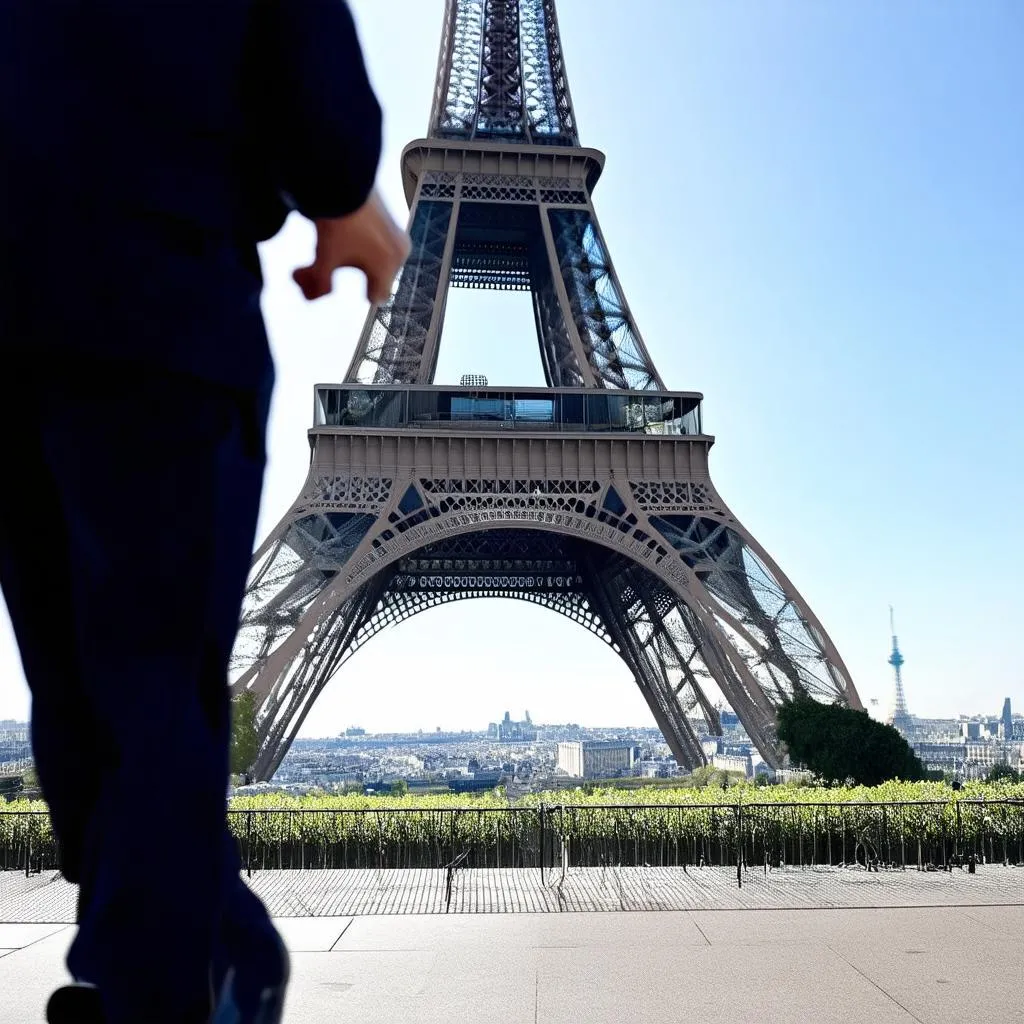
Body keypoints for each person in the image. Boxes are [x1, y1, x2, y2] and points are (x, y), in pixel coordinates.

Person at [0, 1, 410, 1021]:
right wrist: (343, 195)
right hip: (155, 299)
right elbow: (326, 134)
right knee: (154, 680)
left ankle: (173, 950)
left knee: (75, 675)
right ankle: (177, 971)